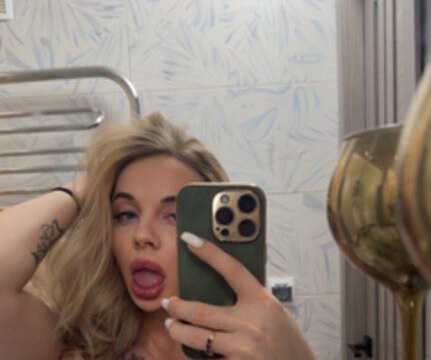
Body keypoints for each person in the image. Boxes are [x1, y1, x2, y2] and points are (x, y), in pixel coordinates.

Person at [0, 112, 317, 360]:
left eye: (173, 216)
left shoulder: (251, 349)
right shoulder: (74, 342)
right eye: (126, 214)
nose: (142, 235)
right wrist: (89, 188)